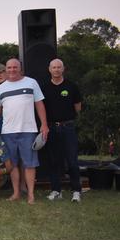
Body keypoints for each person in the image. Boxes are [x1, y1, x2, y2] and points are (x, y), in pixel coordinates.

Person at [0, 58, 49, 204]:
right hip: (7, 132)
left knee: (29, 164)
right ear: (5, 70)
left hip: (28, 130)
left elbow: (39, 104)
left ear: (20, 68)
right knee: (13, 165)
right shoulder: (1, 88)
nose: (12, 70)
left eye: (15, 67)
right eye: (9, 68)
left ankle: (31, 195)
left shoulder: (31, 82)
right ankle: (16, 193)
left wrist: (44, 124)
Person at [42, 59, 83, 202]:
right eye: (54, 67)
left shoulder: (72, 86)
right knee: (53, 161)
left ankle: (76, 191)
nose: (57, 70)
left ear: (63, 69)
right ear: (49, 69)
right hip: (52, 128)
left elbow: (78, 107)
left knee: (72, 160)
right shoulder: (44, 88)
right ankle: (56, 190)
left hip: (68, 127)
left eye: (59, 67)